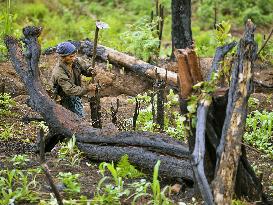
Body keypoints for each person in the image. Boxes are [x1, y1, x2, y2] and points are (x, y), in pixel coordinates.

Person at [51, 41, 96, 117]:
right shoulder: (59, 73)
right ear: (62, 57)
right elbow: (69, 90)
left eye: (74, 55)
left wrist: (90, 71)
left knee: (78, 116)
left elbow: (85, 69)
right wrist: (87, 89)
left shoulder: (75, 61)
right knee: (72, 118)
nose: (74, 58)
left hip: (75, 93)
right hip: (64, 98)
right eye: (70, 57)